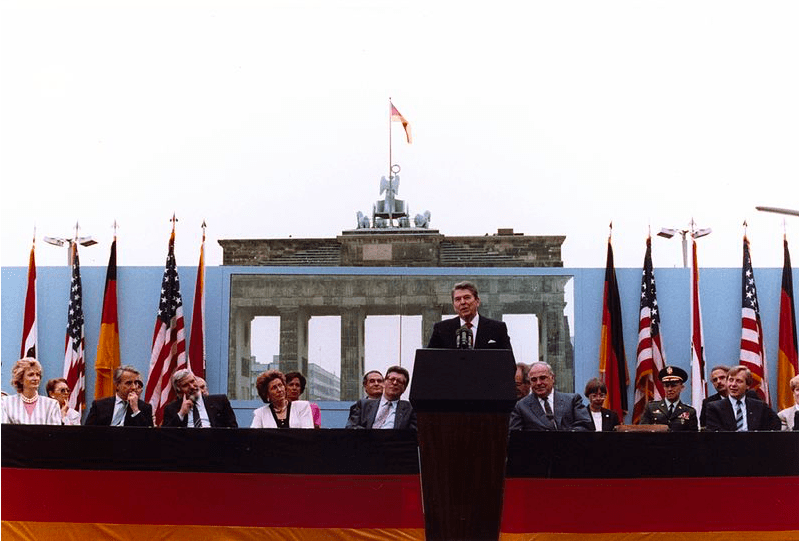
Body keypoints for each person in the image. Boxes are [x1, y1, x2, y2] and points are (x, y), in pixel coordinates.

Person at [427, 281, 512, 350]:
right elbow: (428, 362)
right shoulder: (441, 329)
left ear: (477, 301)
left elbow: (508, 364)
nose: (463, 302)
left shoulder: (497, 328)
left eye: (467, 297)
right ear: (453, 306)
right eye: (458, 299)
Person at [510, 362, 592, 431]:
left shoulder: (572, 400)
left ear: (552, 378)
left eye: (542, 378)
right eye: (534, 380)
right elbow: (515, 436)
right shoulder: (521, 407)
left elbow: (585, 425)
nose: (538, 383)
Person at [705, 365, 781, 431]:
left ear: (747, 385)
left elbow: (775, 425)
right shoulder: (714, 407)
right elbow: (714, 434)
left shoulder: (760, 406)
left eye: (739, 381)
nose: (733, 385)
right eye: (730, 380)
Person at [346, 366, 417, 429]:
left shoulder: (410, 410)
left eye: (399, 381)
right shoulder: (363, 405)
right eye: (392, 379)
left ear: (404, 388)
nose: (395, 383)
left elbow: (412, 435)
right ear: (384, 382)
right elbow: (351, 427)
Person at [162, 369, 238, 428]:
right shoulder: (171, 409)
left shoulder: (220, 401)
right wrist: (181, 413)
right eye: (185, 385)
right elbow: (166, 434)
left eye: (192, 381)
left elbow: (233, 429)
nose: (192, 387)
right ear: (179, 391)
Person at [85, 366, 153, 426]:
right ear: (117, 385)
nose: (134, 387)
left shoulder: (144, 407)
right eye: (129, 383)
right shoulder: (99, 406)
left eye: (135, 383)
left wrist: (135, 410)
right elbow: (88, 431)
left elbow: (149, 434)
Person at [2, 358, 61, 425]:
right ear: (20, 379)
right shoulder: (5, 403)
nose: (36, 378)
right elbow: (4, 431)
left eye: (38, 375)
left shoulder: (51, 404)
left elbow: (54, 432)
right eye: (31, 375)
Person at [639, 366, 697, 431]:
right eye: (666, 386)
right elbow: (643, 432)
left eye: (673, 385)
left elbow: (694, 437)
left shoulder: (689, 411)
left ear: (682, 387)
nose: (670, 389)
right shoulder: (651, 408)